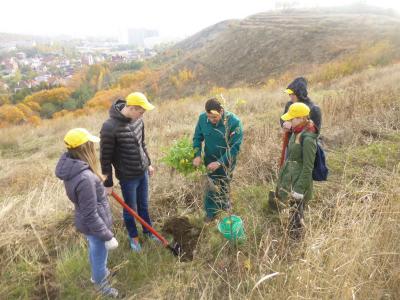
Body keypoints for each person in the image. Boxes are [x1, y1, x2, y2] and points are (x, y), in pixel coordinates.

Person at [55, 128, 119, 298]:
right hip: (95, 225)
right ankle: (102, 287)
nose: (94, 148)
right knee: (99, 258)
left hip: (88, 224)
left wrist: (99, 190)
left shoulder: (75, 169)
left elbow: (87, 202)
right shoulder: (85, 178)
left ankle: (100, 274)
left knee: (94, 250)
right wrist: (107, 236)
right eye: (91, 145)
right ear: (85, 149)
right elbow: (91, 213)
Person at [100, 92, 155, 252]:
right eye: (140, 112)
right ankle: (134, 239)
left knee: (143, 205)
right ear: (131, 108)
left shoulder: (138, 121)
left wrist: (148, 163)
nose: (142, 115)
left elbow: (142, 144)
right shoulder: (109, 127)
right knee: (130, 209)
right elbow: (105, 159)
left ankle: (149, 232)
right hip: (127, 177)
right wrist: (108, 183)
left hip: (143, 172)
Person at [271, 103, 318, 239]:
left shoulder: (308, 138)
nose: (289, 121)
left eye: (292, 119)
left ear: (302, 118)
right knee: (293, 211)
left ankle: (297, 240)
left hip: (299, 181)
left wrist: (298, 189)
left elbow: (308, 167)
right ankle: (292, 233)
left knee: (297, 214)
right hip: (291, 177)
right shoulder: (297, 131)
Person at [192, 98, 243, 221]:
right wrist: (197, 154)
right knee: (210, 187)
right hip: (209, 161)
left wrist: (220, 162)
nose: (211, 120)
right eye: (209, 117)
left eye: (214, 117)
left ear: (221, 111)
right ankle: (210, 213)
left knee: (224, 184)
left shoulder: (234, 122)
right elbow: (197, 138)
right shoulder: (202, 119)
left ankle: (224, 208)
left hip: (226, 162)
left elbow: (234, 147)